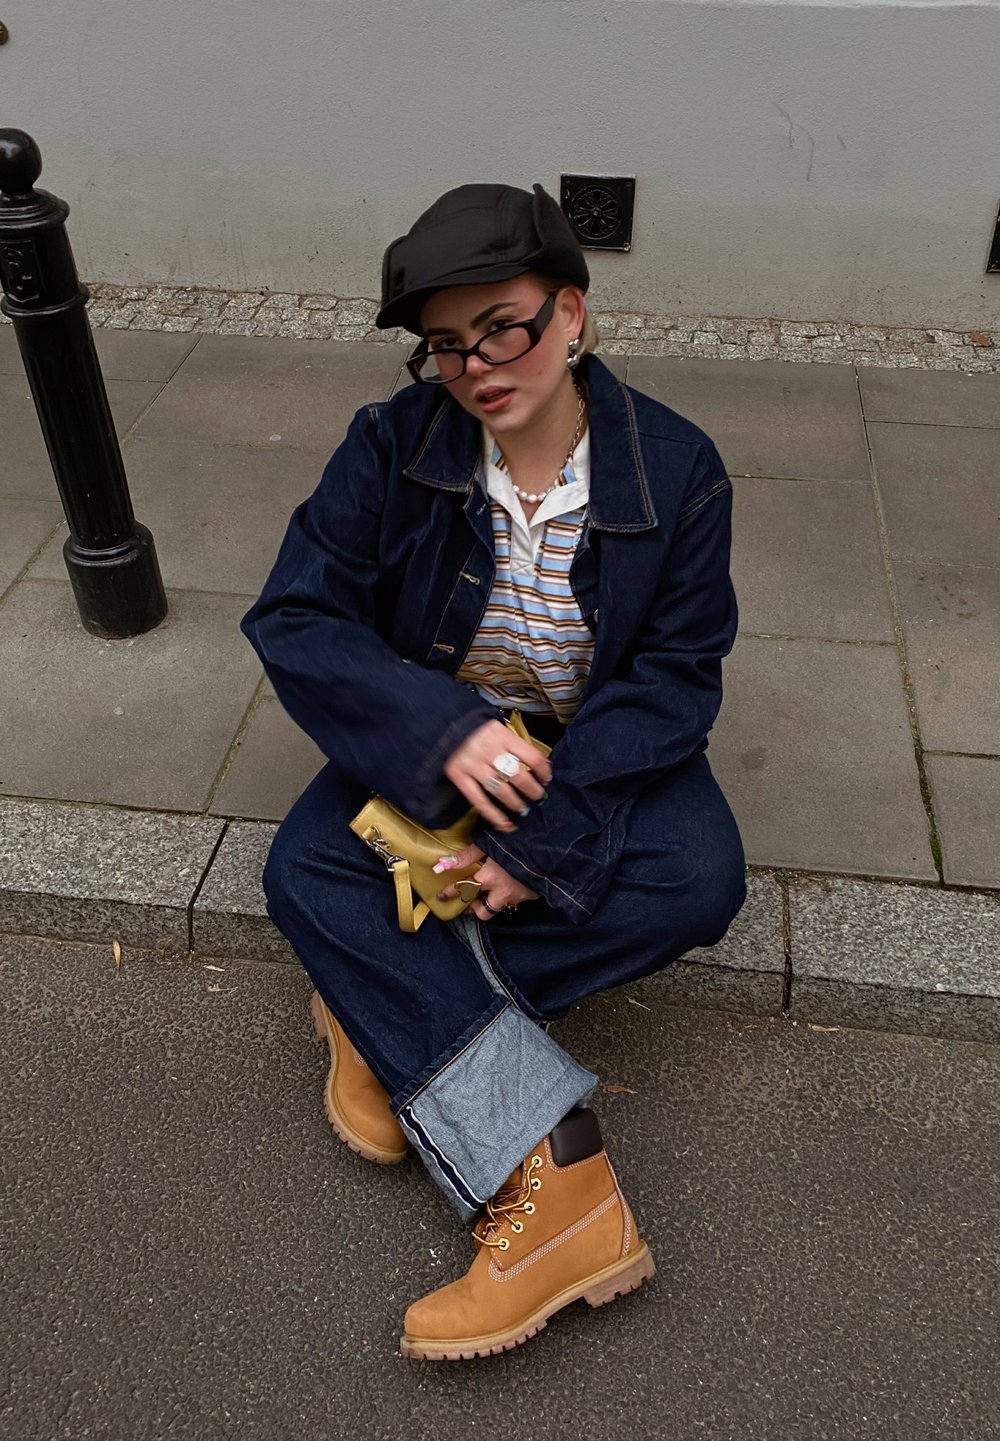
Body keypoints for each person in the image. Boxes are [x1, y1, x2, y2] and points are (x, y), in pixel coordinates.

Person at [241, 182, 746, 1361]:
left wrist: (541, 841)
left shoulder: (676, 470)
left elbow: (675, 678)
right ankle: (554, 1180)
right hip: (441, 742)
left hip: (589, 751)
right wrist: (442, 732)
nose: (477, 364)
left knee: (698, 879)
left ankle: (381, 1013)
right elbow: (296, 619)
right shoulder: (390, 446)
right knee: (304, 876)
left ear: (572, 314)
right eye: (448, 346)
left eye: (505, 326)